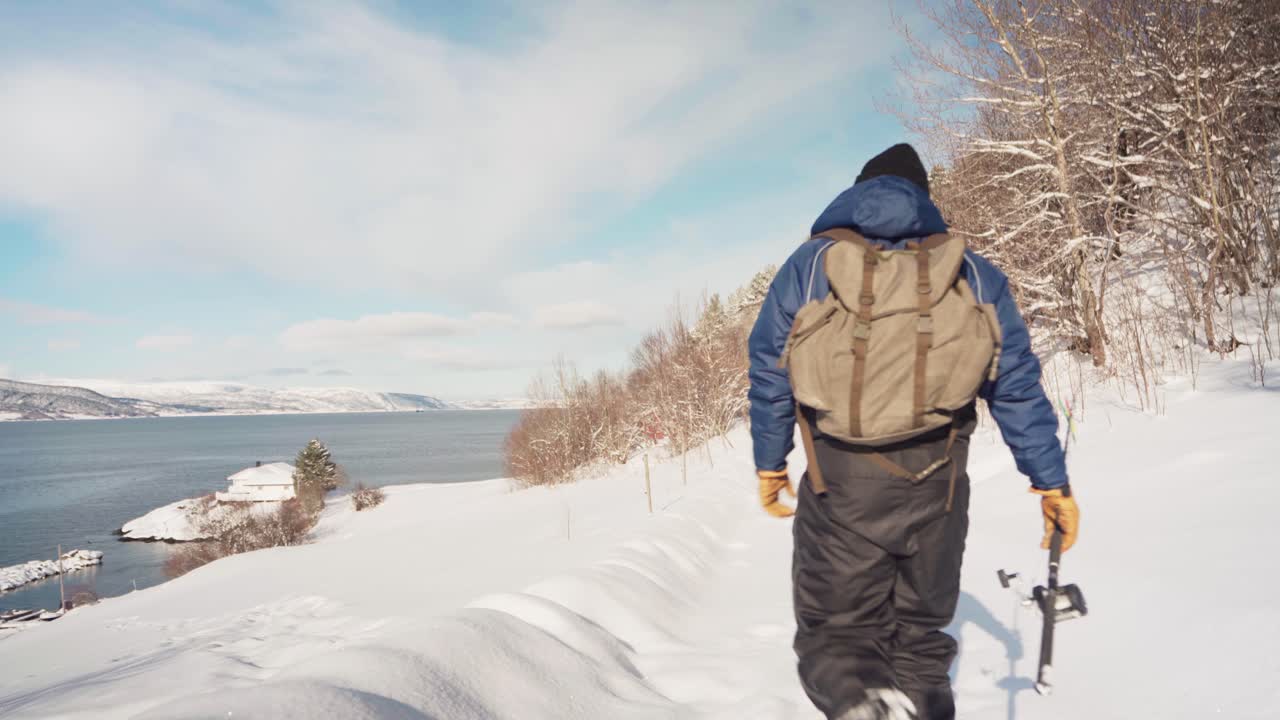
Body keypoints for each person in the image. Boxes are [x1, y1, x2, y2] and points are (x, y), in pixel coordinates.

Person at [747, 143, 1080, 720]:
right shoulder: (967, 269)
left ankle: (868, 707)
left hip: (841, 487)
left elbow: (770, 370)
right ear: (925, 196)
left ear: (856, 191)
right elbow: (1016, 383)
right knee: (921, 648)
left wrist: (770, 463)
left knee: (839, 640)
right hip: (941, 488)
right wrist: (1051, 483)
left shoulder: (809, 266)